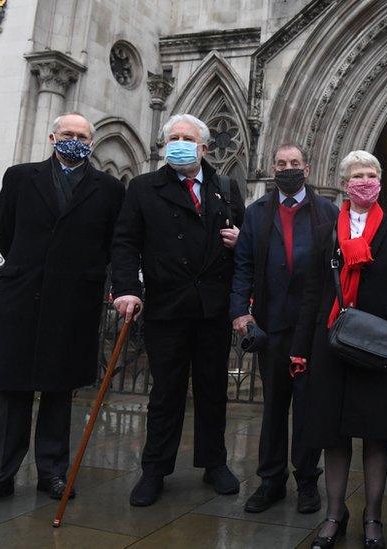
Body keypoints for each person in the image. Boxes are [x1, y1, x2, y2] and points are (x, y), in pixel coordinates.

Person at [0, 113, 126, 511]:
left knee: (59, 389)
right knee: (13, 389)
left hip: (73, 301)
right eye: (68, 134)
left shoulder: (107, 189)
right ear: (52, 137)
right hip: (23, 296)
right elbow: (5, 231)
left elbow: (110, 242)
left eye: (83, 136)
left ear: (92, 142)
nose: (75, 140)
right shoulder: (20, 177)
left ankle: (52, 472)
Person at [110, 113, 246, 507]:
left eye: (188, 138)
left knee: (213, 390)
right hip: (167, 306)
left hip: (212, 308)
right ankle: (155, 469)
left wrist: (242, 240)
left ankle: (214, 463)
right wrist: (126, 289)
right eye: (174, 138)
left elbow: (245, 244)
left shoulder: (225, 187)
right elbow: (124, 242)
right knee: (165, 393)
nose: (180, 143)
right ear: (164, 145)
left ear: (204, 148)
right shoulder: (143, 187)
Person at [289, 150, 387, 549]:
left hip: (379, 345)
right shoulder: (328, 229)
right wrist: (300, 348)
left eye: (371, 175)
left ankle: (374, 517)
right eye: (357, 176)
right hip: (331, 342)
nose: (364, 181)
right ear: (344, 183)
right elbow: (312, 292)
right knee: (334, 434)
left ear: (379, 181)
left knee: (376, 435)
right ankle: (334, 514)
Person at [230, 143, 337, 514]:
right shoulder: (257, 213)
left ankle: (307, 481)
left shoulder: (327, 212)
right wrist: (240, 314)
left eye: (294, 163)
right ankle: (271, 481)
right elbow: (242, 265)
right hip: (271, 326)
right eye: (281, 163)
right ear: (272, 168)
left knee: (308, 406)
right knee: (274, 406)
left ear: (307, 169)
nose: (287, 168)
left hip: (312, 328)